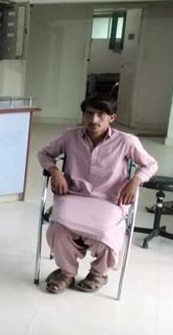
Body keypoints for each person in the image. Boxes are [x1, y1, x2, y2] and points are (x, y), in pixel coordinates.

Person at [38, 94, 158, 294]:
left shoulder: (127, 141)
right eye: (89, 113)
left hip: (109, 200)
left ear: (112, 117)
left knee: (107, 234)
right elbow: (43, 153)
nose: (93, 120)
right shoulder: (70, 137)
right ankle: (67, 273)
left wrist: (135, 181)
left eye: (100, 114)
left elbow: (151, 164)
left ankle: (98, 274)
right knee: (58, 228)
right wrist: (55, 171)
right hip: (74, 195)